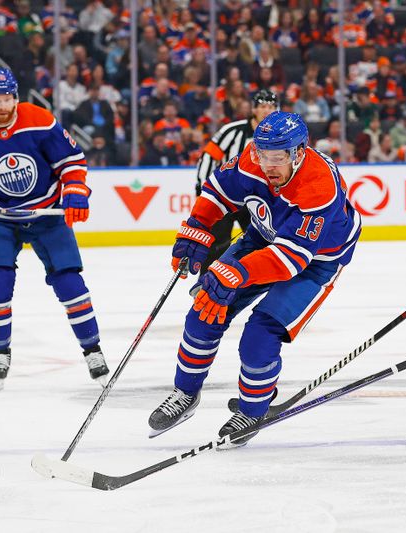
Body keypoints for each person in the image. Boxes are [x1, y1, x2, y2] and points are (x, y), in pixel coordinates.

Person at [148, 112, 362, 446]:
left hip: (315, 261)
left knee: (260, 335)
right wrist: (198, 227)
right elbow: (218, 192)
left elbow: (291, 259)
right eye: (263, 155)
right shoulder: (251, 159)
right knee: (204, 310)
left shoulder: (319, 186)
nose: (268, 165)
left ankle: (252, 410)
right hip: (262, 237)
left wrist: (233, 273)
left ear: (299, 152)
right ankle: (185, 393)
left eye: (277, 158)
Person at [0, 68, 110, 390]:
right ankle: (0, 353)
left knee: (71, 284)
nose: (2, 106)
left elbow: (71, 161)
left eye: (7, 99)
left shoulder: (38, 119)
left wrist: (74, 194)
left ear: (16, 98)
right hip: (1, 219)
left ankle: (93, 350)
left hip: (47, 215)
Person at [194, 89, 279, 276]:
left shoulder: (281, 136)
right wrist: (204, 188)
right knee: (217, 241)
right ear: (254, 109)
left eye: (271, 107)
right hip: (226, 195)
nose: (267, 110)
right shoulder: (232, 131)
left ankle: (254, 279)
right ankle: (206, 282)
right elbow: (209, 156)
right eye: (263, 106)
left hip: (257, 199)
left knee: (262, 241)